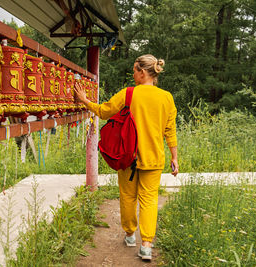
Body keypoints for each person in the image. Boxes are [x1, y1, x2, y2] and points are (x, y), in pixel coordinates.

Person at [74, 54, 179, 261]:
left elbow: (104, 112)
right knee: (149, 200)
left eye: (134, 70)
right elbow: (170, 130)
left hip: (127, 156)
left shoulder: (128, 94)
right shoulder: (166, 97)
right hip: (154, 158)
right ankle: (147, 246)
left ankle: (130, 235)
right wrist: (174, 157)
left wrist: (84, 100)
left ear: (142, 72)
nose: (133, 74)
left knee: (128, 197)